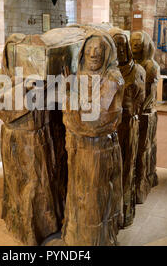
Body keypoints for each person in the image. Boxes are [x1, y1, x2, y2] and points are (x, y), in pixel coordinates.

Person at [0, 34, 61, 246]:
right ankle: (23, 225)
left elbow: (54, 104)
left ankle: (45, 224)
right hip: (16, 137)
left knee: (41, 182)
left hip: (40, 136)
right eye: (13, 52)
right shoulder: (1, 77)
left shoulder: (40, 76)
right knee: (21, 184)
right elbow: (2, 107)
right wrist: (24, 87)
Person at [62, 29, 125, 246]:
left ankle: (94, 241)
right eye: (88, 49)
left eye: (98, 49)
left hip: (99, 149)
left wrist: (72, 111)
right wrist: (73, 113)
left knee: (95, 198)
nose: (93, 54)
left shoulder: (113, 78)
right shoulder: (78, 76)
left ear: (107, 53)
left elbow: (97, 120)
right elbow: (69, 117)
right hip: (77, 147)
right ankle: (76, 236)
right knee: (78, 194)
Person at [109, 28, 146, 228]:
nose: (121, 49)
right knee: (113, 169)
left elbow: (140, 100)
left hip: (129, 125)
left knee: (127, 166)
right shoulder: (109, 74)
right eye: (116, 46)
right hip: (112, 128)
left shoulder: (138, 71)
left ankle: (126, 208)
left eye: (123, 45)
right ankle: (113, 211)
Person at [130, 31, 161, 204]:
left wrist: (140, 107)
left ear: (145, 44)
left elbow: (149, 93)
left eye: (139, 42)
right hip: (132, 111)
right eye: (133, 42)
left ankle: (144, 178)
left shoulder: (150, 65)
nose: (135, 45)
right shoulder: (129, 64)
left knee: (143, 148)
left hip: (144, 111)